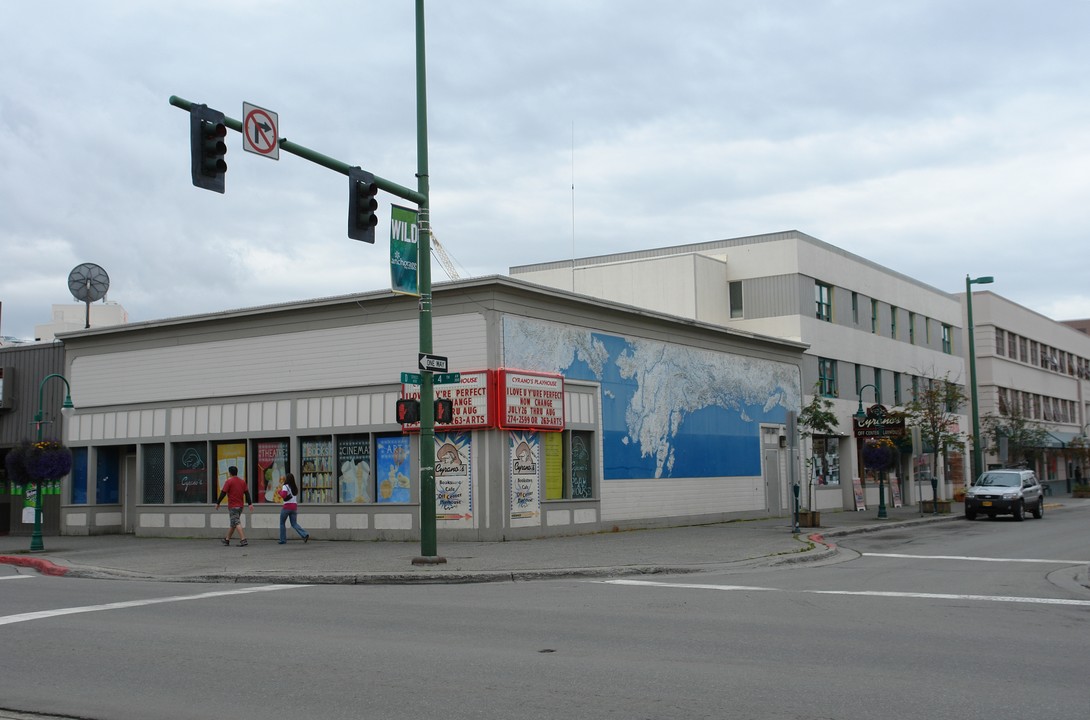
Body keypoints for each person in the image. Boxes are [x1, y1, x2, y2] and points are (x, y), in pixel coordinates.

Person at [215, 466, 253, 547]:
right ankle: (227, 540)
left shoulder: (229, 482)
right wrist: (250, 503)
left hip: (233, 506)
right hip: (240, 506)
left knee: (236, 522)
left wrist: (218, 503)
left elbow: (223, 493)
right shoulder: (242, 482)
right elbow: (247, 493)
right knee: (233, 523)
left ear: (230, 473)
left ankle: (243, 540)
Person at [278, 472, 310, 544]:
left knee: (282, 523)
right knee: (294, 523)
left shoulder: (285, 486)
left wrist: (279, 492)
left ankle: (282, 540)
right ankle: (304, 534)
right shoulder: (294, 487)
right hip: (294, 507)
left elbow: (283, 495)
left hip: (286, 507)